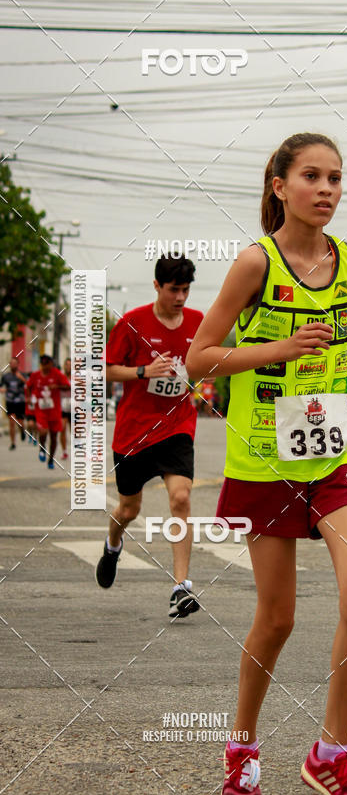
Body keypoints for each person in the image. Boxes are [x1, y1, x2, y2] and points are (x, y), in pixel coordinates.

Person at [186, 132, 347, 795]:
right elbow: (198, 360)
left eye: (335, 178)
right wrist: (278, 346)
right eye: (311, 176)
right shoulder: (254, 263)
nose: (326, 190)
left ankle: (330, 752)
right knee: (277, 618)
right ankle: (241, 747)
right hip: (265, 461)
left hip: (337, 455)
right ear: (279, 186)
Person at [95, 254, 204, 619]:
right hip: (134, 432)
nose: (181, 298)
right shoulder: (132, 323)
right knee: (129, 508)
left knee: (181, 498)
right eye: (174, 290)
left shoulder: (198, 322)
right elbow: (107, 370)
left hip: (177, 426)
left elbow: (209, 358)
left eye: (186, 290)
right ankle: (113, 545)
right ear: (157, 286)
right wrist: (143, 370)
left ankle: (181, 587)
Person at [25, 354, 70, 469]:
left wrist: (57, 386)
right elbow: (28, 386)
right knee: (43, 432)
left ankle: (51, 459)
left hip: (54, 410)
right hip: (41, 410)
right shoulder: (35, 375)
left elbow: (67, 386)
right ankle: (42, 448)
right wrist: (29, 398)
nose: (45, 367)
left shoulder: (57, 374)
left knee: (54, 436)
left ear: (51, 364)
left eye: (47, 364)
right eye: (43, 364)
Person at [1, 357, 26, 449]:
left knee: (20, 421)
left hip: (20, 401)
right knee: (11, 422)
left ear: (18, 364)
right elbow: (1, 386)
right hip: (10, 400)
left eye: (14, 363)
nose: (13, 365)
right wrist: (3, 390)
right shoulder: (6, 376)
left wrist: (22, 378)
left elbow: (29, 385)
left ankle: (22, 430)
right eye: (11, 363)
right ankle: (13, 443)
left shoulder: (22, 374)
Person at [59, 357, 71, 459]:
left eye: (70, 365)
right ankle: (64, 451)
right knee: (62, 428)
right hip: (62, 406)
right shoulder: (61, 377)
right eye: (67, 364)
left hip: (74, 406)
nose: (68, 366)